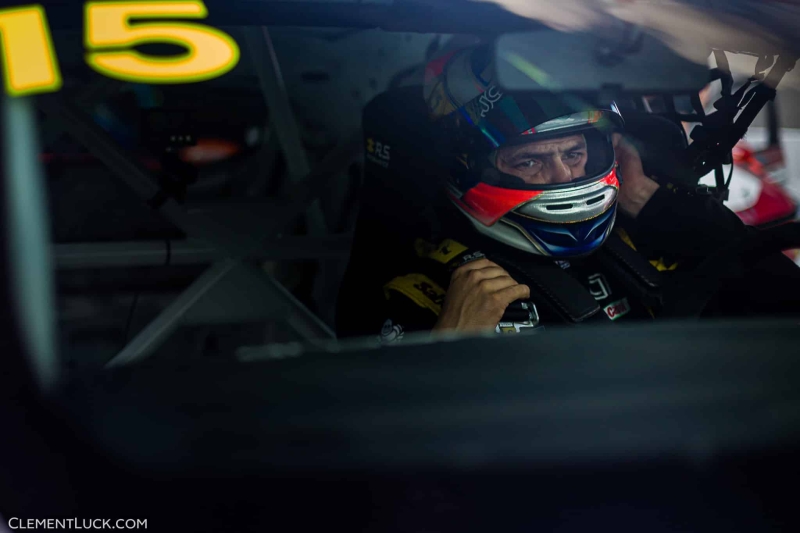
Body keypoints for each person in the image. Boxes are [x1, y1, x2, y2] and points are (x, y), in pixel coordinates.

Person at [336, 45, 800, 341]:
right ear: (468, 168)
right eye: (530, 160)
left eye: (575, 152)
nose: (562, 176)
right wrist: (449, 345)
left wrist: (658, 206)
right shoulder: (427, 295)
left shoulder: (651, 240)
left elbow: (783, 309)